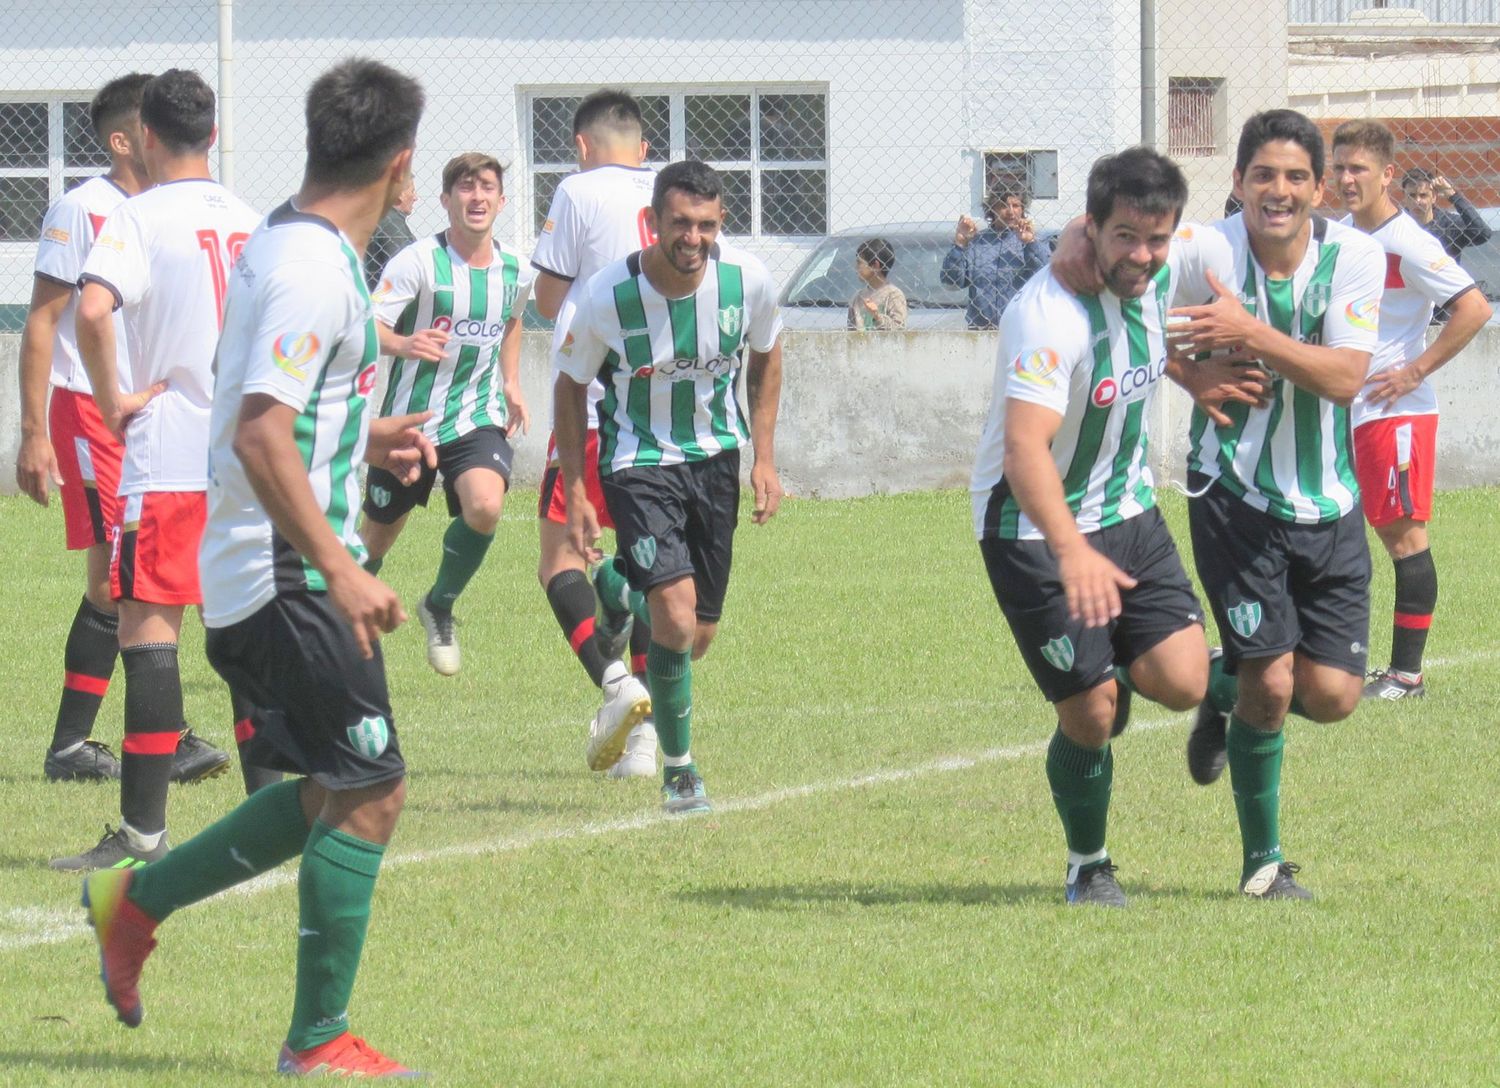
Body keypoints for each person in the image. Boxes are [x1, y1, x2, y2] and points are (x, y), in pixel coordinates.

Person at [82, 57, 434, 1078]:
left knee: (337, 785)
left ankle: (133, 902)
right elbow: (258, 433)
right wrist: (348, 567)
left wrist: (361, 442)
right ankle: (315, 1038)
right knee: (372, 787)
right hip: (283, 572)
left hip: (269, 563)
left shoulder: (293, 237)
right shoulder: (311, 265)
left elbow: (276, 402)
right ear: (403, 167)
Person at [973, 147, 1249, 907]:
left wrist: (1197, 374)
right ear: (1091, 228)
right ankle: (1087, 864)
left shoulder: (1172, 263)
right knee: (1092, 714)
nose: (1143, 255)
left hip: (1127, 512)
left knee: (1186, 680)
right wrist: (1071, 553)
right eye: (1124, 236)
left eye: (1156, 239)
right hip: (1032, 532)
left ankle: (1122, 669)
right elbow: (1026, 450)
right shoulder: (1047, 314)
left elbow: (1153, 347)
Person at [1164, 110, 1385, 900]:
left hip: (1330, 500)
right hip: (1236, 491)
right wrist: (1192, 376)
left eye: (1296, 177)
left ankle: (1217, 688)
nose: (1279, 191)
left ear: (1320, 189)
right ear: (1238, 184)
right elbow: (1130, 306)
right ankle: (1264, 865)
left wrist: (1249, 333)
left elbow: (1344, 378)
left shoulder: (1356, 255)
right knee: (1277, 684)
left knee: (1331, 697)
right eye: (1264, 175)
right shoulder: (1204, 251)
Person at [54, 69, 261, 873]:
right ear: (211, 133)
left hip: (170, 454)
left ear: (143, 136)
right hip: (247, 456)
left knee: (149, 638)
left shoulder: (135, 217)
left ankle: (142, 834)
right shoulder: (253, 221)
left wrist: (110, 398)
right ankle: (268, 816)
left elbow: (95, 309)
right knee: (244, 641)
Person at [554, 160, 784, 814]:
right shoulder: (606, 296)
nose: (693, 237)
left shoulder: (749, 282)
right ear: (653, 223)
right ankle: (680, 773)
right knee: (676, 620)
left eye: (706, 224)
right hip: (638, 460)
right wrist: (575, 489)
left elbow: (767, 359)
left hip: (716, 462)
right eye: (680, 223)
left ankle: (618, 589)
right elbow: (570, 388)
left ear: (720, 225)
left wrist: (763, 458)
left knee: (698, 636)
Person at [13, 72, 181, 785]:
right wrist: (32, 432)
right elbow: (43, 321)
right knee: (121, 573)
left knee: (136, 572)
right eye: (151, 123)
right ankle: (79, 746)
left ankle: (132, 734)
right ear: (123, 139)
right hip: (87, 407)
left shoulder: (169, 209)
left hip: (148, 413)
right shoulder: (83, 208)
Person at [1331, 122, 1492, 700]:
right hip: (1348, 410)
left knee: (1405, 539)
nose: (1347, 179)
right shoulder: (1342, 236)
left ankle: (1406, 676)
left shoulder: (1410, 242)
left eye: (1360, 169)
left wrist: (1414, 371)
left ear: (1388, 175)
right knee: (1339, 533)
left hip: (1395, 414)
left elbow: (1472, 308)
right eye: (1340, 167)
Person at [359, 152, 532, 675]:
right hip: (408, 424)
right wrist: (405, 343)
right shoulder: (416, 263)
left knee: (485, 506)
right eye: (464, 187)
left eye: (486, 188)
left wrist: (511, 380)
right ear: (445, 200)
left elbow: (512, 321)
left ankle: (440, 602)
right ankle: (334, 627)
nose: (475, 196)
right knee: (376, 538)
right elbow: (367, 328)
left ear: (501, 201)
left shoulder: (515, 269)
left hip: (475, 416)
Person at [530, 89, 656, 778]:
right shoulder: (671, 189)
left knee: (559, 563)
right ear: (642, 146)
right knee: (639, 569)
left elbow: (548, 298)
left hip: (592, 399)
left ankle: (617, 686)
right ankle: (642, 747)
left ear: (582, 146)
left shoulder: (578, 192)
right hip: (660, 409)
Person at [941, 186, 1050, 329]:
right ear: (992, 209)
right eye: (1003, 206)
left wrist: (1030, 243)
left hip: (1021, 328)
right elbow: (952, 282)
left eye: (1016, 205)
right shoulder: (978, 242)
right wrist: (960, 244)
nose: (1010, 211)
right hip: (980, 330)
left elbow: (1046, 275)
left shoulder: (1036, 240)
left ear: (1023, 209)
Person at [1400, 167, 1492, 264]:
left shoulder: (1447, 223)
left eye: (1423, 195)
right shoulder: (1398, 223)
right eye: (1412, 195)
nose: (1417, 201)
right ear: (1404, 197)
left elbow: (1483, 233)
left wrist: (1452, 195)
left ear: (1434, 197)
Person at [362, 177, 415, 288]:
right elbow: (403, 268)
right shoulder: (392, 224)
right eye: (412, 191)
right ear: (400, 194)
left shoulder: (374, 218)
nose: (415, 197)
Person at [847, 237, 907, 330]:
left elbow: (899, 330)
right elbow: (851, 332)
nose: (856, 267)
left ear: (875, 265)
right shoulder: (857, 298)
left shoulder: (893, 295)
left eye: (860, 263)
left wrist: (877, 316)